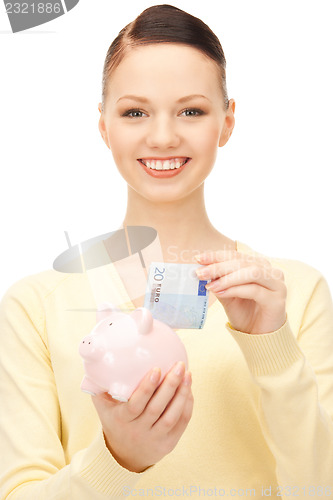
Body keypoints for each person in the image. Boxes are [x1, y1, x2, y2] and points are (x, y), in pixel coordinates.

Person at [1, 4, 333, 499]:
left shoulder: (293, 295)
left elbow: (320, 488)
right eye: (135, 112)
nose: (162, 136)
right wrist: (118, 459)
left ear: (227, 121)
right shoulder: (34, 308)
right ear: (103, 125)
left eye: (191, 111)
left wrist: (272, 347)